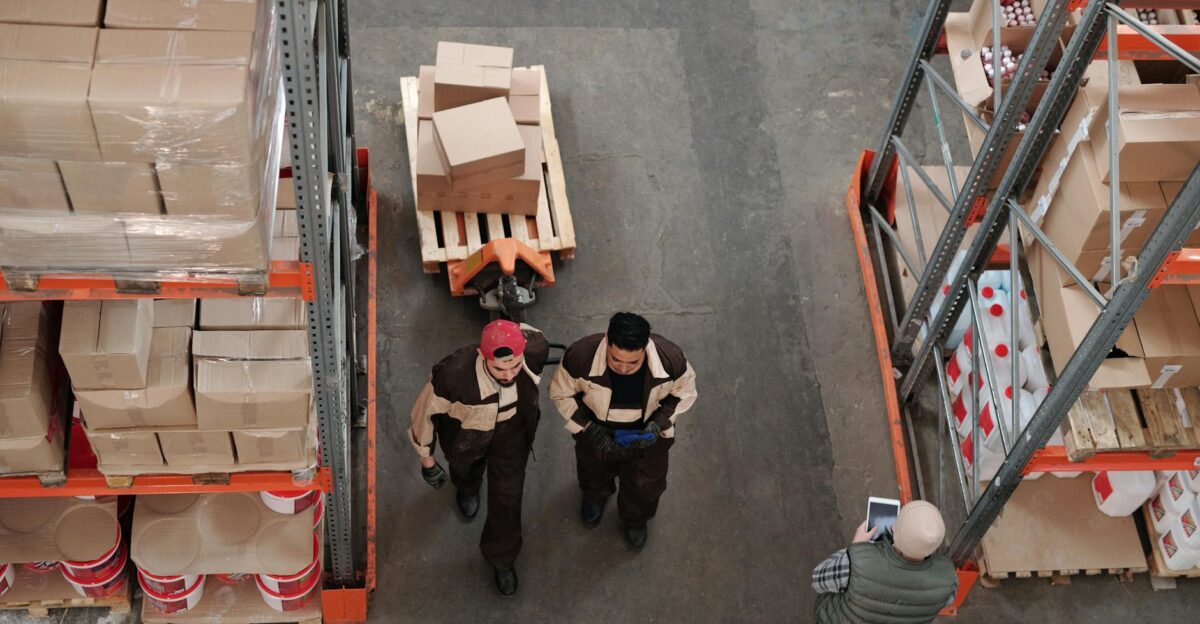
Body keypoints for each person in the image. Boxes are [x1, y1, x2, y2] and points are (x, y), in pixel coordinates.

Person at [408, 320, 549, 597]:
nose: (508, 375)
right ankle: (468, 486)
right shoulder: (451, 377)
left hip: (512, 437)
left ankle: (502, 557)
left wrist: (509, 322)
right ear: (482, 356)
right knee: (465, 472)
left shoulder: (535, 350)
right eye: (499, 368)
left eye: (515, 366)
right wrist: (427, 460)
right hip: (466, 440)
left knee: (508, 499)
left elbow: (532, 333)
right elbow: (423, 415)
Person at [550, 312, 697, 550]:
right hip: (597, 432)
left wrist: (658, 423)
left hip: (648, 438)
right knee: (593, 472)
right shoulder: (580, 357)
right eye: (616, 359)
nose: (624, 368)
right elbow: (561, 393)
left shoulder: (671, 359)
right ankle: (595, 497)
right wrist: (589, 429)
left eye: (633, 363)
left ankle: (635, 519)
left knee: (646, 484)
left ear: (646, 347)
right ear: (607, 340)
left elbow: (685, 393)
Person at [812, 501, 959, 623]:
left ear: (895, 530)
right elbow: (945, 602)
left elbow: (818, 580)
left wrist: (855, 549)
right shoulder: (949, 579)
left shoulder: (857, 563)